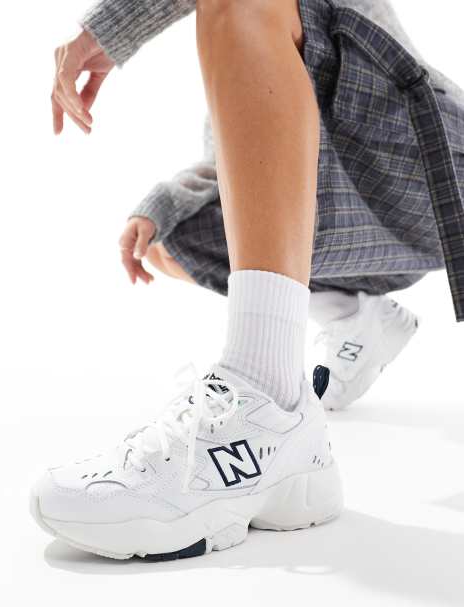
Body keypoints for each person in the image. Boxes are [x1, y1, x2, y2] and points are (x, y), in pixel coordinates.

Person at [30, 0, 464, 560]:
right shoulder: (260, 53)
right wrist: (162, 205)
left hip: (428, 170)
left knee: (241, 6)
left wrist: (109, 28)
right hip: (351, 223)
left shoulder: (271, 21)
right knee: (166, 240)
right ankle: (348, 330)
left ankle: (265, 401)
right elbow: (248, 168)